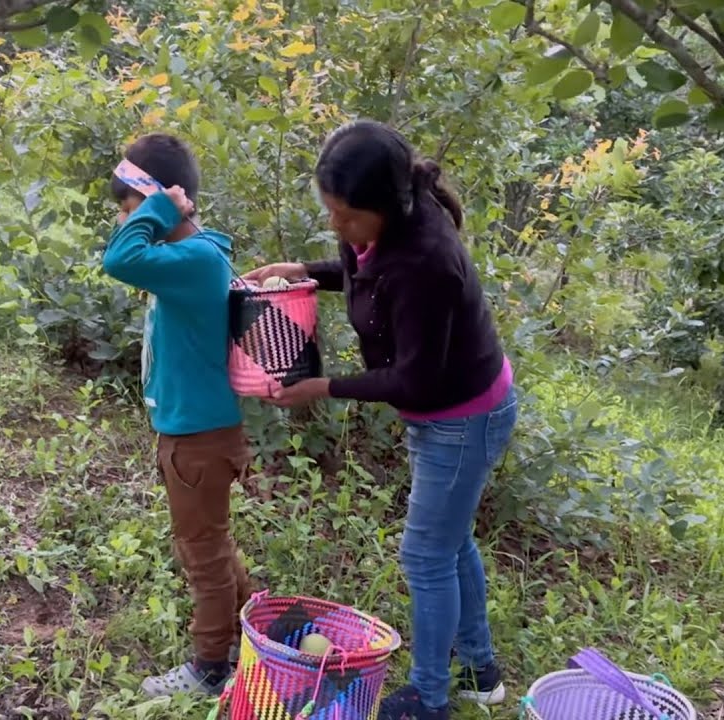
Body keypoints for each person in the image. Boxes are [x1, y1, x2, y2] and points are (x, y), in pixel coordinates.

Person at [243, 119, 517, 720]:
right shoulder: (376, 229)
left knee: (425, 554)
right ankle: (479, 670)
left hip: (464, 415)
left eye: (345, 215)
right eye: (330, 211)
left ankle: (430, 697)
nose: (337, 225)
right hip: (442, 411)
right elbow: (362, 269)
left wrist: (322, 386)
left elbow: (414, 377)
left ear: (385, 206)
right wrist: (304, 271)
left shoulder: (427, 259)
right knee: (449, 541)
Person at [101, 133, 252, 698]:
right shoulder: (195, 255)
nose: (125, 222)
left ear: (160, 199)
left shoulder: (192, 259)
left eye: (128, 209)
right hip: (198, 432)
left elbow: (119, 259)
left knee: (201, 550)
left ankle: (211, 667)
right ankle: (247, 631)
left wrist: (159, 206)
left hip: (196, 438)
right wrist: (157, 209)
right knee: (211, 539)